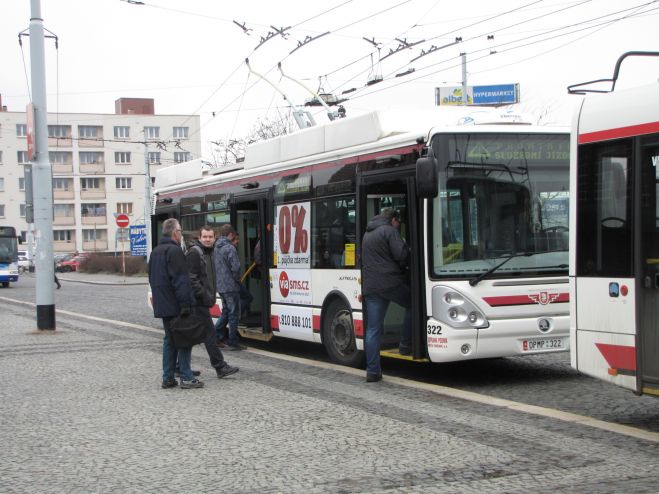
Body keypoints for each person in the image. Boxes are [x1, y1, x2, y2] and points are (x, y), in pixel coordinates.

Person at [148, 218, 203, 389]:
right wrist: (186, 304)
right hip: (177, 305)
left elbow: (151, 278)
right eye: (180, 232)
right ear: (175, 233)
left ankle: (168, 377)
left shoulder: (155, 252)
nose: (181, 235)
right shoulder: (175, 251)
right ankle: (186, 377)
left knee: (169, 340)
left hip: (163, 305)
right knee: (185, 339)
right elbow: (181, 281)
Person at [361, 208, 412, 383]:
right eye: (399, 222)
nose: (399, 225)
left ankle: (372, 371)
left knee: (373, 329)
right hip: (391, 283)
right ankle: (405, 345)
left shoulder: (367, 234)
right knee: (414, 305)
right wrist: (405, 244)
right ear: (393, 220)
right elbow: (402, 254)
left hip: (371, 287)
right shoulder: (389, 231)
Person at [185, 225, 239, 379]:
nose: (208, 239)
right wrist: (203, 294)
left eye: (210, 237)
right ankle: (220, 367)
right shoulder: (196, 252)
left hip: (202, 300)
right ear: (200, 237)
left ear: (214, 238)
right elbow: (191, 278)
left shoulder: (211, 251)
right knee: (209, 334)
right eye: (205, 237)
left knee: (190, 334)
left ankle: (179, 366)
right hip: (197, 301)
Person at [214, 224, 244, 351]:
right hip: (231, 286)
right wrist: (238, 281)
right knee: (233, 314)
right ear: (230, 234)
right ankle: (233, 341)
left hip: (220, 286)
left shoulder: (215, 247)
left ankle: (215, 336)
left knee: (226, 312)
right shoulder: (230, 248)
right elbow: (236, 268)